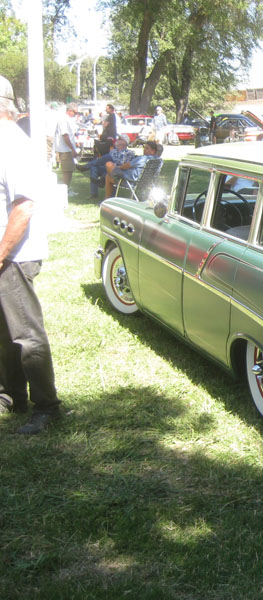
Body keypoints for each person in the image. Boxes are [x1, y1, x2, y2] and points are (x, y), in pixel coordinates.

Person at [0, 75, 62, 434]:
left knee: (25, 332)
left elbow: (23, 207)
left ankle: (47, 407)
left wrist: (2, 253)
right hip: (7, 252)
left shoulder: (12, 144)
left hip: (16, 255)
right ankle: (11, 394)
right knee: (4, 330)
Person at [76, 135, 135, 199]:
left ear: (124, 142)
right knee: (94, 167)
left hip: (118, 170)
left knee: (108, 157)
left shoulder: (129, 153)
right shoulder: (113, 151)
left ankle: (87, 167)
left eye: (120, 139)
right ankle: (94, 194)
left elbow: (126, 165)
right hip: (107, 167)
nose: (117, 139)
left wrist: (115, 165)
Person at [53, 103, 80, 196]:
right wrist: (72, 149)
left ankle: (66, 189)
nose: (76, 115)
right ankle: (64, 191)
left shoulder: (66, 119)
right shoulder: (63, 120)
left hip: (66, 148)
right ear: (69, 111)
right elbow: (65, 135)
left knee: (69, 171)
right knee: (67, 172)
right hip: (65, 149)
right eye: (75, 112)